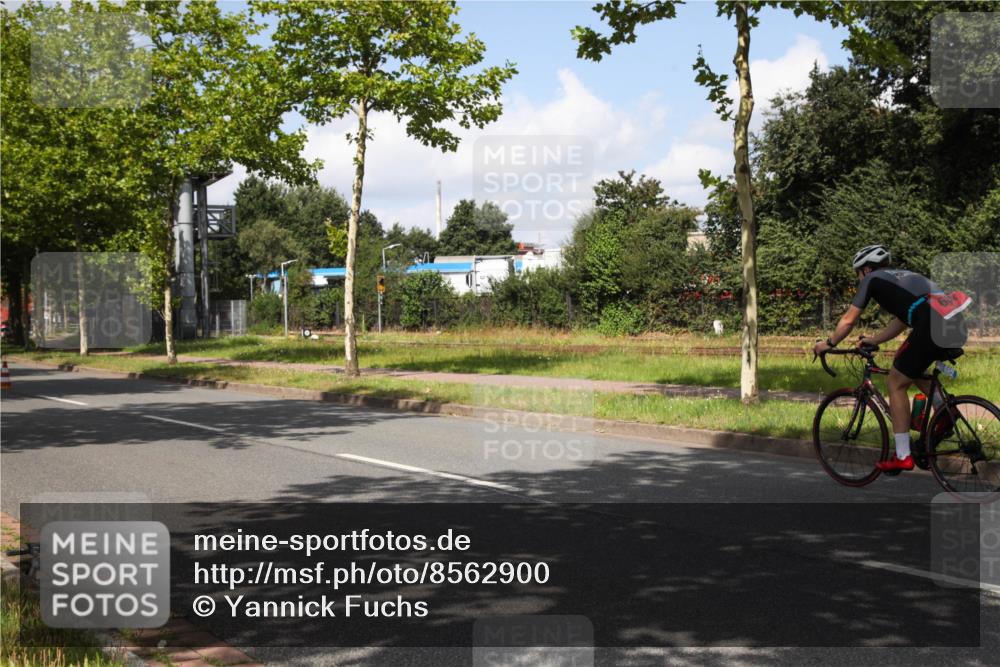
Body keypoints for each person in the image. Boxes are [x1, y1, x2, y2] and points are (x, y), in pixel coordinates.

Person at [813, 245, 968, 471]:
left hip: (932, 323)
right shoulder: (904, 276)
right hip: (955, 323)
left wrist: (828, 344)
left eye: (858, 273)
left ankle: (903, 455)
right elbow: (903, 320)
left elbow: (848, 320)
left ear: (866, 269)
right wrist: (875, 339)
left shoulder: (872, 279)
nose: (859, 279)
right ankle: (946, 414)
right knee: (910, 369)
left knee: (895, 381)